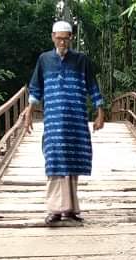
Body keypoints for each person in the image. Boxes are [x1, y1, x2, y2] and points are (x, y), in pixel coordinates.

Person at [25, 20, 105, 225]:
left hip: (76, 118)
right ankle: (54, 209)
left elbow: (93, 86)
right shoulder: (44, 60)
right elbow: (35, 88)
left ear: (71, 38)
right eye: (59, 38)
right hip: (53, 119)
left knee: (72, 160)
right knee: (54, 160)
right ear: (53, 37)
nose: (62, 42)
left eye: (66, 39)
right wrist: (29, 113)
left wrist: (100, 112)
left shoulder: (81, 60)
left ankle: (70, 209)